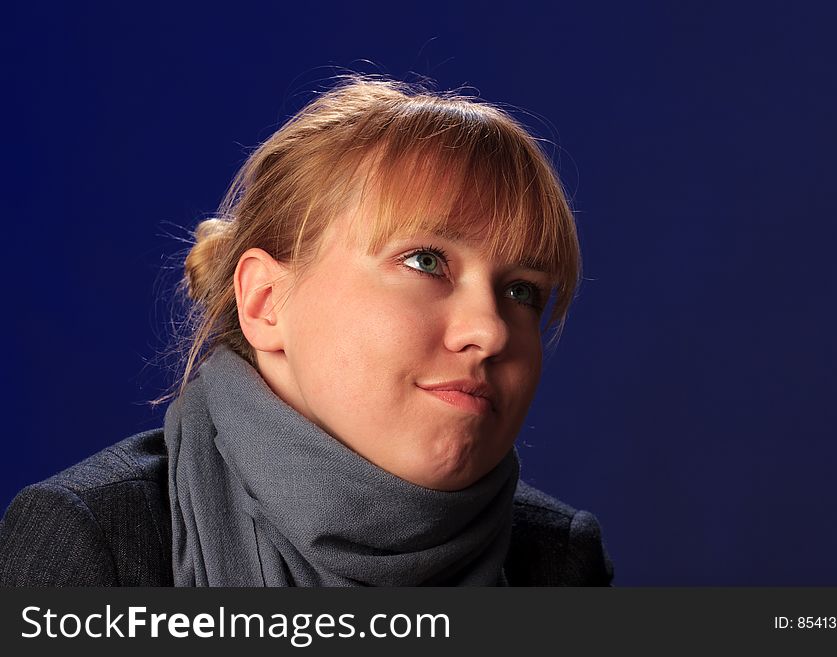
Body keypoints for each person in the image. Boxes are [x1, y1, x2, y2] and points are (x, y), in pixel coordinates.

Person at [0, 77, 613, 586]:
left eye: (522, 292)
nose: (491, 330)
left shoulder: (558, 562)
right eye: (425, 260)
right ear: (266, 302)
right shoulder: (91, 542)